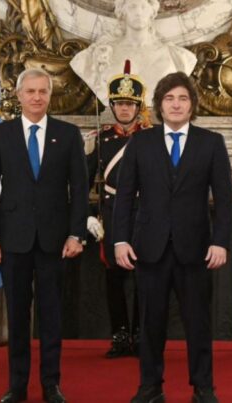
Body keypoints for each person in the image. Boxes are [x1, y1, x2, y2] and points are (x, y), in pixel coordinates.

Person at [113, 72, 232, 403]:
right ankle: (150, 387)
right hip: (148, 249)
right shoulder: (140, 142)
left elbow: (223, 199)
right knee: (150, 324)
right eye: (169, 99)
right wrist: (120, 240)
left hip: (196, 250)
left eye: (182, 98)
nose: (176, 104)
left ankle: (203, 388)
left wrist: (220, 241)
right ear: (160, 105)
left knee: (198, 324)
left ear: (192, 105)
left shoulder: (211, 142)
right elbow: (124, 196)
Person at [0, 67, 89, 403]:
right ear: (19, 95)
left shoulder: (68, 135)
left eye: (43, 91)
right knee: (17, 316)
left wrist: (76, 234)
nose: (37, 97)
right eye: (31, 92)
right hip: (12, 240)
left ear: (49, 95)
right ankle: (17, 386)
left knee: (52, 315)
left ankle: (51, 384)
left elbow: (80, 190)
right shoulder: (0, 135)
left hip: (55, 242)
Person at [86, 60, 151, 358]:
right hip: (112, 215)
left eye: (129, 104)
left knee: (144, 278)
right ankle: (120, 335)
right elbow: (83, 182)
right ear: (112, 106)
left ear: (139, 107)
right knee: (114, 278)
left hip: (145, 214)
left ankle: (140, 334)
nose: (124, 109)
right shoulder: (99, 141)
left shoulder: (153, 139)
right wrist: (87, 216)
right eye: (119, 104)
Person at [69, 0, 197, 107]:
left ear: (152, 11)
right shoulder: (99, 54)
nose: (138, 12)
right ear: (122, 12)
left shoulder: (178, 56)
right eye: (132, 7)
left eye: (143, 7)